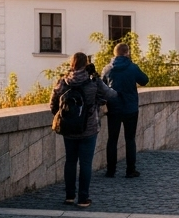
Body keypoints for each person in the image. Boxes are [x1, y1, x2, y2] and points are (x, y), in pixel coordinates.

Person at [50, 51, 118, 208]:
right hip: (89, 129)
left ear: (72, 63)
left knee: (70, 161)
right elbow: (111, 95)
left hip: (68, 129)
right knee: (85, 164)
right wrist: (98, 81)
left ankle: (69, 196)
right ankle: (83, 198)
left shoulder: (63, 81)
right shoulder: (92, 82)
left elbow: (53, 104)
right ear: (86, 64)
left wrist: (65, 118)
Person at [103, 42, 150, 178]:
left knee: (112, 139)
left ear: (115, 53)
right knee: (130, 139)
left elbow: (102, 87)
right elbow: (144, 80)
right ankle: (130, 170)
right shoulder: (132, 67)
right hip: (130, 108)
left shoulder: (107, 69)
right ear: (127, 53)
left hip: (113, 108)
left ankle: (111, 170)